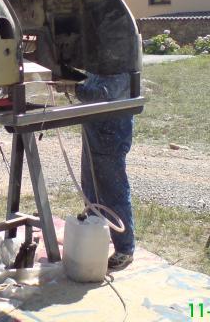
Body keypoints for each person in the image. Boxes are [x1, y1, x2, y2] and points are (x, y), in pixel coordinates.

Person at [75, 72, 135, 271]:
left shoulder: (121, 60)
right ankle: (96, 240)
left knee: (113, 193)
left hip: (112, 135)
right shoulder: (100, 60)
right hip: (95, 131)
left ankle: (124, 249)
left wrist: (74, 88)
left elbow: (103, 93)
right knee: (91, 190)